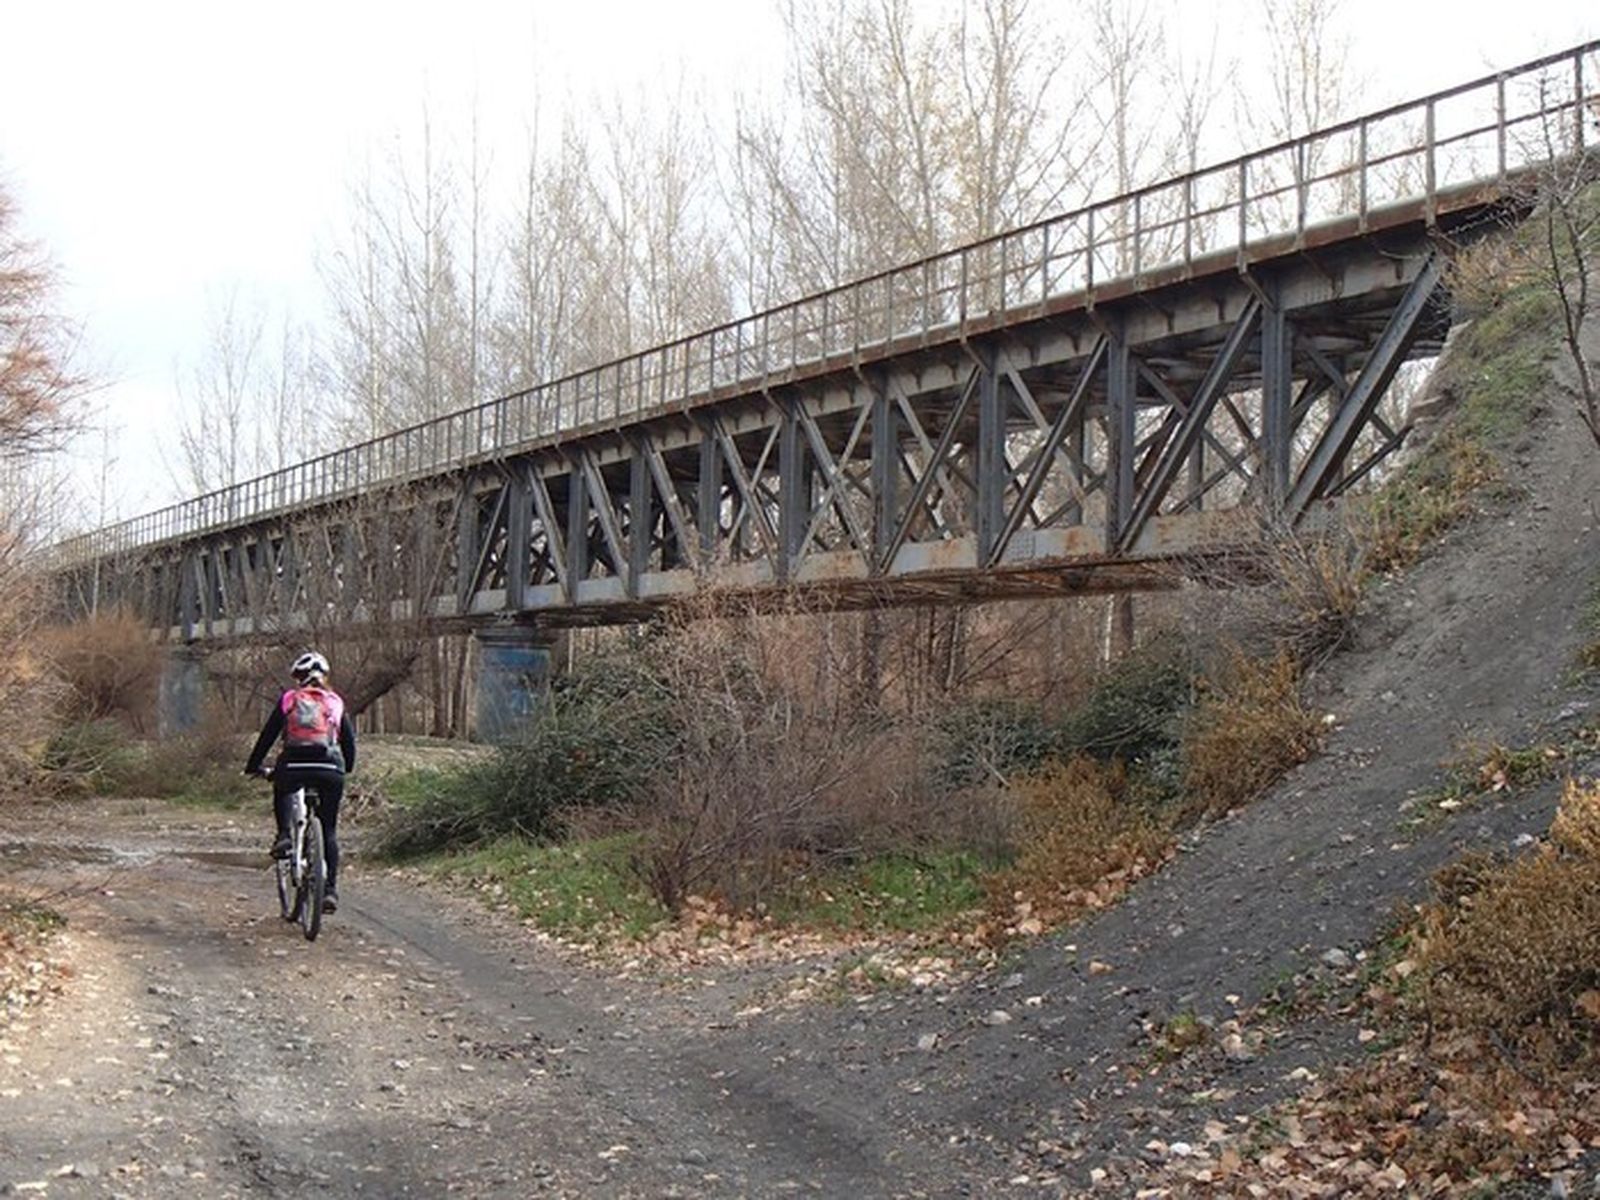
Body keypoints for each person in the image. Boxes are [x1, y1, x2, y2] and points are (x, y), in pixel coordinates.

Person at [243, 651, 357, 913]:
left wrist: (253, 766)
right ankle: (329, 891)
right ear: (324, 677)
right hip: (330, 768)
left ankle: (284, 836)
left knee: (281, 785)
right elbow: (349, 743)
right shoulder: (335, 702)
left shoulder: (289, 700)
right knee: (328, 830)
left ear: (299, 678)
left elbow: (267, 736)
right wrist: (345, 768)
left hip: (293, 765)